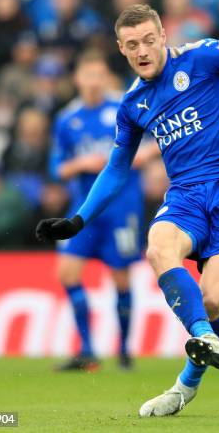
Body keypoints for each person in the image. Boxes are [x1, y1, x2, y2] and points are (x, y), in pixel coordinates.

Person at [36, 4, 219, 416]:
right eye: (132, 44)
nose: (143, 50)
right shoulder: (133, 104)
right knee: (158, 246)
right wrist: (77, 219)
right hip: (186, 195)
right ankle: (205, 337)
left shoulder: (202, 56)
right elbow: (116, 170)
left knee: (210, 303)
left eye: (149, 40)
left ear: (162, 37)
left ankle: (184, 385)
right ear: (122, 49)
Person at [48, 50, 156, 371]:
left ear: (105, 78)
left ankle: (124, 350)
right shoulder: (67, 119)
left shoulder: (125, 107)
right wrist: (81, 163)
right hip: (82, 210)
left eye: (98, 75)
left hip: (122, 208)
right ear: (77, 79)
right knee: (67, 273)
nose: (93, 82)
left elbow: (155, 144)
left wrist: (124, 160)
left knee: (120, 278)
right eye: (87, 75)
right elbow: (57, 168)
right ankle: (88, 350)